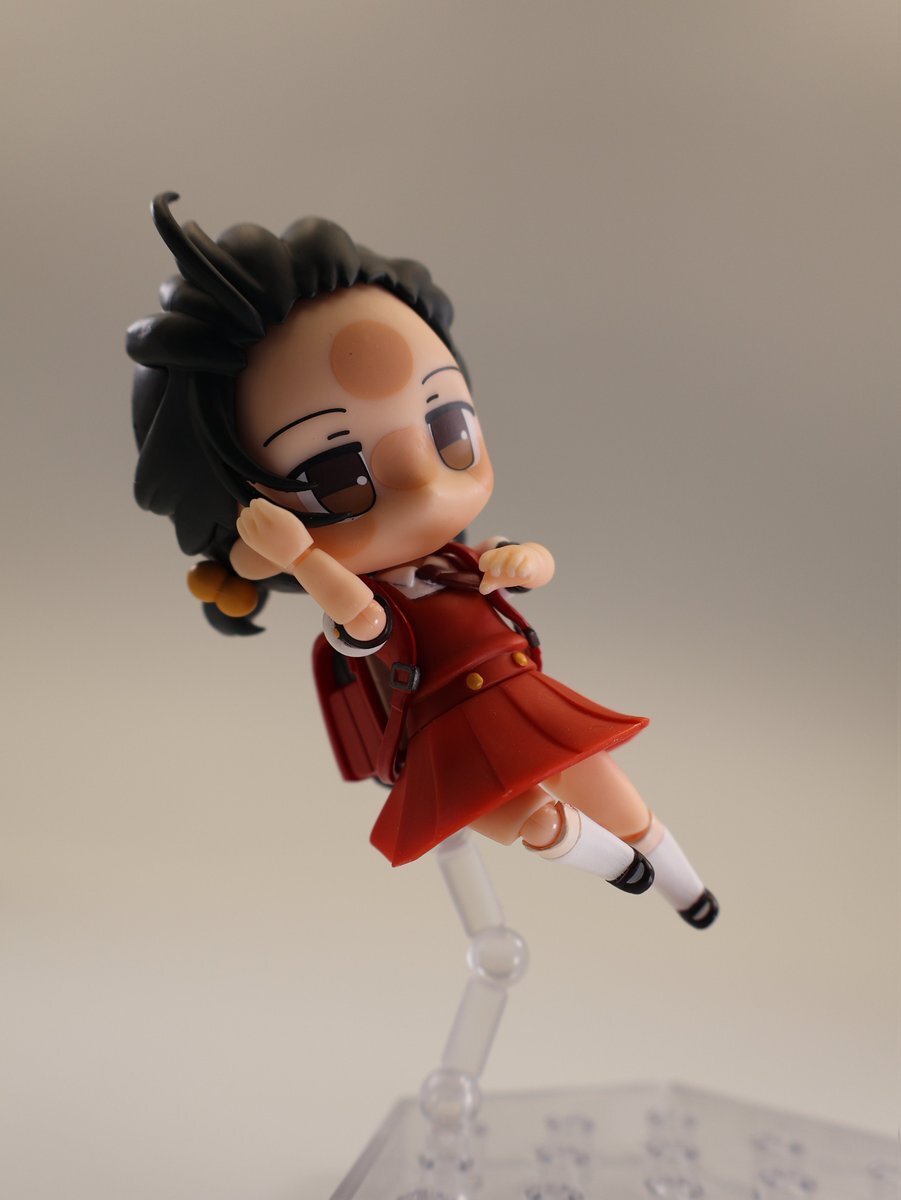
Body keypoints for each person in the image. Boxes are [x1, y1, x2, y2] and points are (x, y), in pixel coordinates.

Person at [128, 193, 718, 929]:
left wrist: (523, 563)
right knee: (532, 820)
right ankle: (617, 867)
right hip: (441, 730)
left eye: (449, 428)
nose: (423, 487)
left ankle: (685, 890)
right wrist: (303, 556)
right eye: (335, 476)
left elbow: (531, 563)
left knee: (608, 787)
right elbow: (365, 621)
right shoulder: (354, 602)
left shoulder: (463, 559)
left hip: (516, 690)